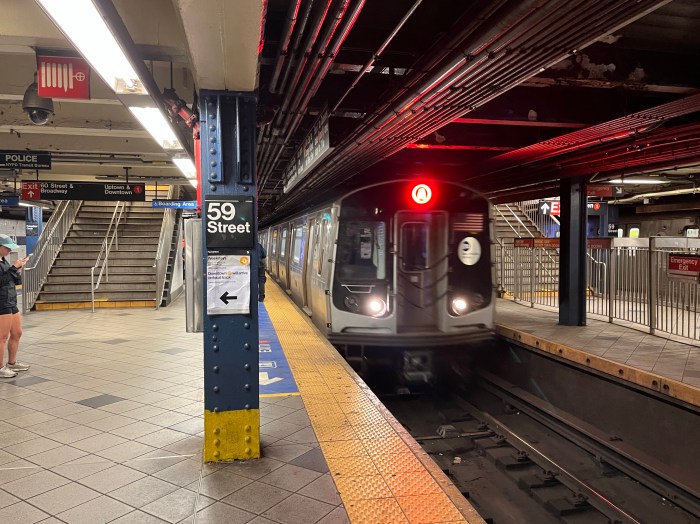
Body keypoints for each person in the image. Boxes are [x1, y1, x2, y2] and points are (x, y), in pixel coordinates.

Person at [0, 234, 30, 378]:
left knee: (17, 332)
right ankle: (0, 368)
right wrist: (13, 268)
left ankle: (12, 362)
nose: (9, 251)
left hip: (11, 300)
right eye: (7, 248)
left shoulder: (3, 261)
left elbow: (12, 280)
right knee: (2, 337)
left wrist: (18, 269)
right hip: (1, 302)